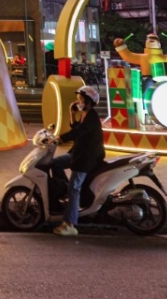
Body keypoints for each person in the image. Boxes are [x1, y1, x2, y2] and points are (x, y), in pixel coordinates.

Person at [50, 85, 105, 236]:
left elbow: (78, 132)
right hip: (78, 154)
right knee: (54, 163)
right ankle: (65, 191)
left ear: (88, 101)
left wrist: (60, 138)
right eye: (78, 99)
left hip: (87, 157)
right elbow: (76, 127)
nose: (78, 101)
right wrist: (71, 113)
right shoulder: (85, 114)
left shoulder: (92, 117)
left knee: (75, 188)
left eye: (81, 99)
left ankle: (70, 224)